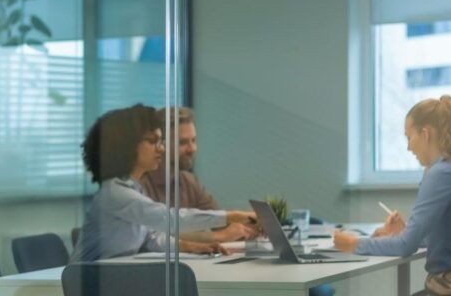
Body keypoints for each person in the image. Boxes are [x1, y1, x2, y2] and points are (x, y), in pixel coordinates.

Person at [141, 107, 336, 296]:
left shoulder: (188, 181)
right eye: (183, 142)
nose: (192, 148)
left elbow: (218, 219)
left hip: (200, 267)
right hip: (167, 277)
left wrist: (243, 225)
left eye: (194, 140)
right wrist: (218, 236)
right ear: (161, 145)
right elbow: (157, 238)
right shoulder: (141, 186)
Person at [333, 95, 451, 296]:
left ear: (425, 134)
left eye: (409, 137)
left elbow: (405, 247)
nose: (409, 147)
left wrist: (354, 244)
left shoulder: (442, 173)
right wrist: (406, 232)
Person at [70, 104, 259, 262]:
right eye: (153, 142)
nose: (161, 149)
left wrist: (193, 248)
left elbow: (152, 239)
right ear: (127, 145)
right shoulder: (115, 193)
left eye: (161, 141)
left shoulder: (135, 188)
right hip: (87, 285)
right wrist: (233, 216)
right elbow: (168, 219)